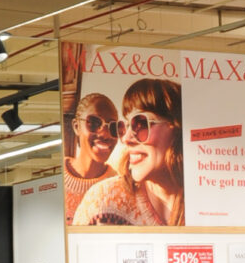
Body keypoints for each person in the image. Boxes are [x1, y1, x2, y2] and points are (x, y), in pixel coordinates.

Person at [74, 77, 185, 228]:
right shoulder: (103, 201)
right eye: (125, 126)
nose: (126, 139)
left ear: (177, 128)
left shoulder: (207, 200)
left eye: (140, 124)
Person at [63, 91, 118, 221]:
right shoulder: (55, 178)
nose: (105, 134)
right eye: (94, 123)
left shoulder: (119, 188)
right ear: (76, 126)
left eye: (113, 127)